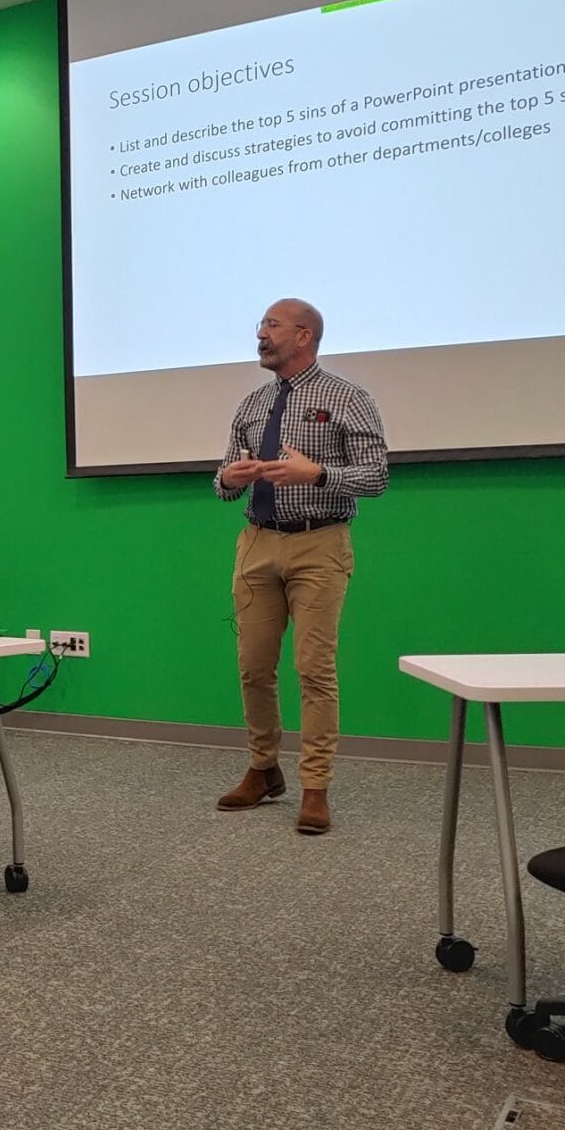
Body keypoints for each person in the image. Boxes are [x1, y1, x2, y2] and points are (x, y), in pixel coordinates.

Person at [212, 299, 387, 835]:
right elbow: (222, 481)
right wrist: (230, 479)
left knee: (314, 670)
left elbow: (377, 476)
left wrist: (319, 475)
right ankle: (264, 770)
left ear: (304, 335)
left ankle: (315, 788)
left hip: (319, 544)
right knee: (253, 667)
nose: (261, 334)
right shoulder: (253, 403)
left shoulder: (347, 397)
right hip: (257, 543)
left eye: (272, 325)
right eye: (261, 325)